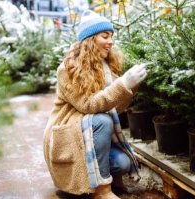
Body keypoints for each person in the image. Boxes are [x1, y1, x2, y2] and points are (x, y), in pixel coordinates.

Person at [43, 10, 147, 199]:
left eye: (111, 37)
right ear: (90, 40)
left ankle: (104, 176)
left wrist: (130, 86)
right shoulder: (67, 69)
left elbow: (117, 107)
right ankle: (102, 190)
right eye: (105, 36)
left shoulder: (104, 66)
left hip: (89, 132)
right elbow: (89, 105)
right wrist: (122, 84)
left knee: (123, 163)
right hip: (70, 133)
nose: (111, 41)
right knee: (103, 121)